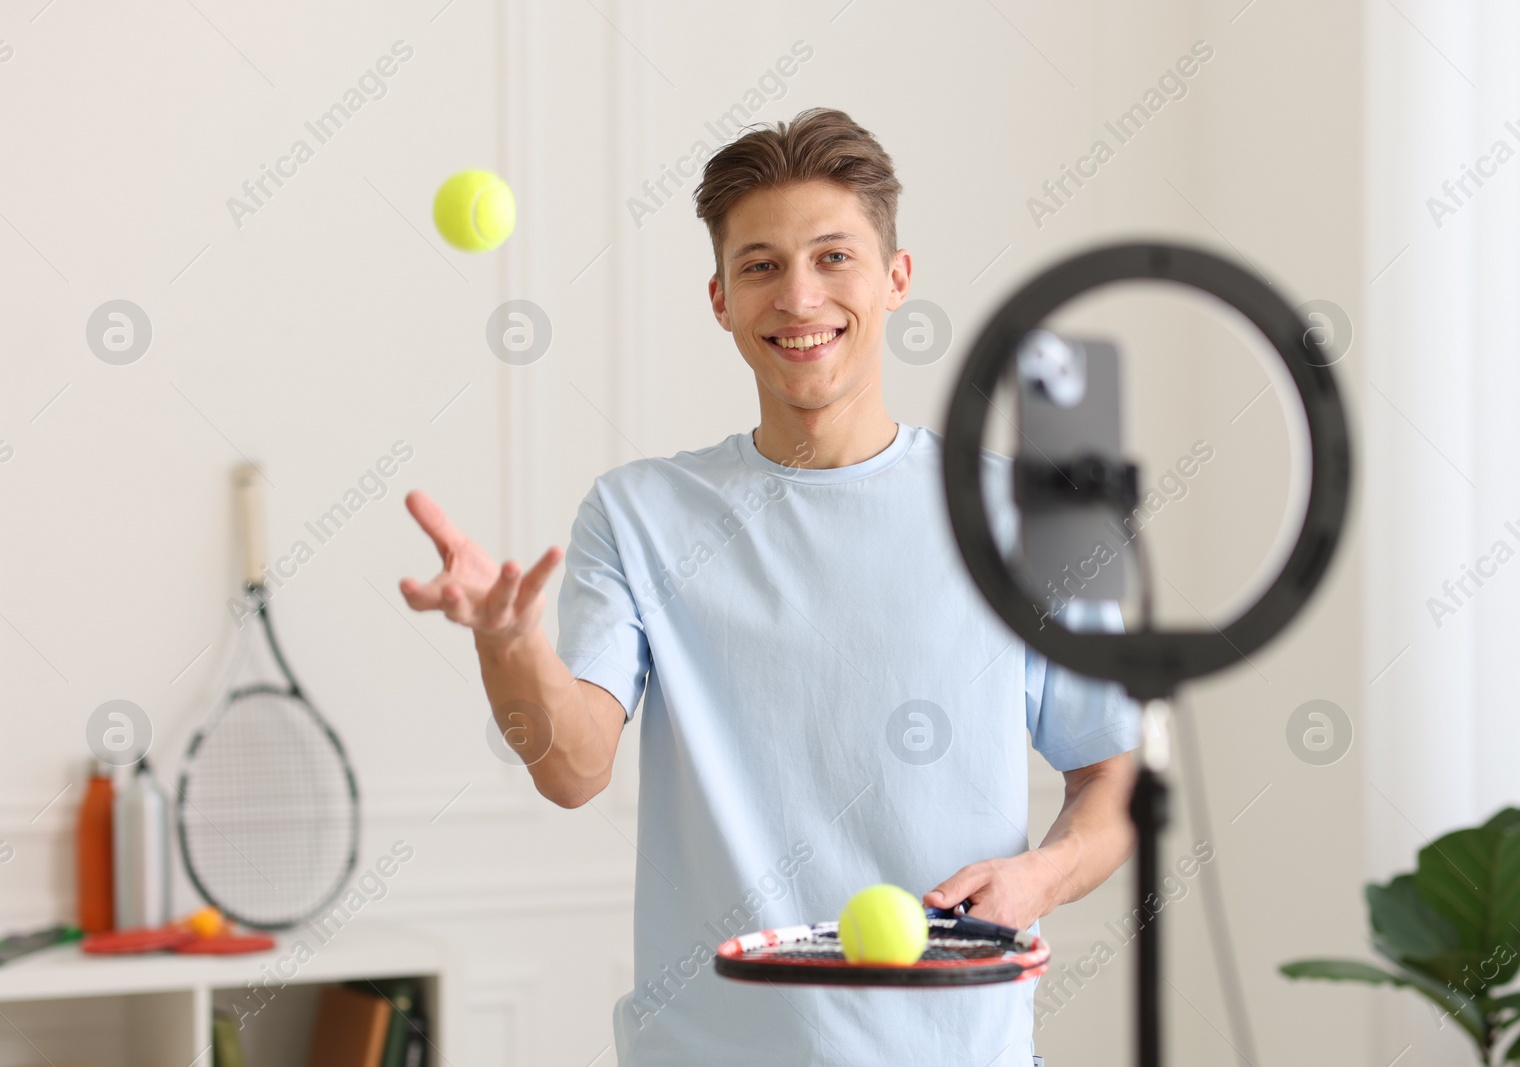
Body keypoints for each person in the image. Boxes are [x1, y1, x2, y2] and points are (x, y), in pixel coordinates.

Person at [401, 106, 1138, 1066]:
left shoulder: (1032, 513)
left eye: (834, 257)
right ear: (719, 299)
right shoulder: (636, 513)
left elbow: (1114, 782)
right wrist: (507, 645)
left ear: (895, 278)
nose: (798, 296)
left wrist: (1039, 877)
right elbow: (573, 767)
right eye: (761, 266)